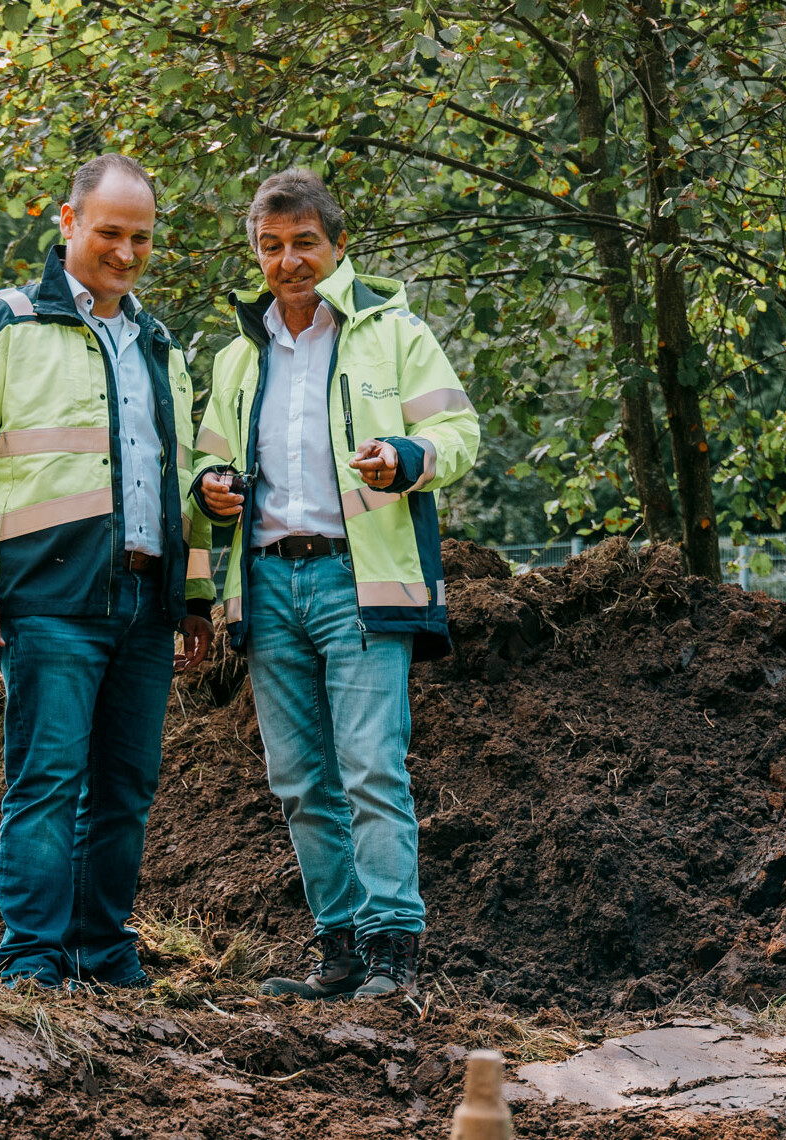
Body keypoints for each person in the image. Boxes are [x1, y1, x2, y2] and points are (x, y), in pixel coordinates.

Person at [0, 154, 214, 989]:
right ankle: (33, 960)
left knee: (125, 789)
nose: (126, 251)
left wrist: (192, 593)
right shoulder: (2, 323)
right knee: (47, 781)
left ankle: (101, 949)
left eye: (141, 237)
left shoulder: (158, 342)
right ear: (67, 223)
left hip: (145, 604)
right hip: (47, 596)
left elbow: (174, 473)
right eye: (109, 232)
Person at [191, 168, 480, 999]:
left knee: (369, 768)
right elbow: (205, 459)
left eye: (303, 243)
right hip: (268, 585)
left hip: (360, 582)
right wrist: (210, 484)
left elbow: (456, 431)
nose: (289, 261)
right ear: (257, 254)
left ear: (337, 244)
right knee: (298, 781)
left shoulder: (393, 334)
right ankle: (340, 948)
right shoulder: (237, 358)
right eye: (271, 247)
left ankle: (394, 952)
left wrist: (405, 458)